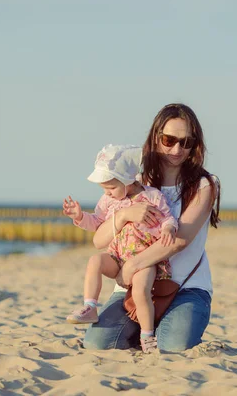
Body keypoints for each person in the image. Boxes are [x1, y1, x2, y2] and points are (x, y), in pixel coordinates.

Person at [82, 103, 221, 352]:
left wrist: (132, 266)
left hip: (186, 287)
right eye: (169, 139)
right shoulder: (133, 181)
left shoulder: (203, 185)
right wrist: (124, 214)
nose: (177, 148)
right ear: (156, 137)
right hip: (135, 287)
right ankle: (145, 328)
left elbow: (179, 240)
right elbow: (99, 239)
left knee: (173, 347)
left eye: (186, 142)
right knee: (97, 344)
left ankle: (162, 327)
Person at [62, 144, 178, 353]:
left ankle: (147, 335)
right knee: (94, 261)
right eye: (104, 189)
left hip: (144, 261)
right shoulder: (109, 201)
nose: (107, 193)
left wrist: (169, 228)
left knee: (142, 291)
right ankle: (90, 305)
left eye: (112, 188)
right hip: (117, 257)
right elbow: (97, 224)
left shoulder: (152, 197)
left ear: (128, 180)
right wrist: (80, 217)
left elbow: (168, 217)